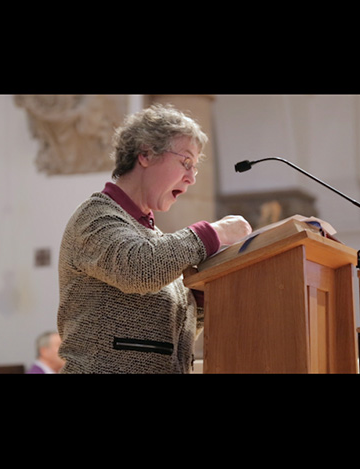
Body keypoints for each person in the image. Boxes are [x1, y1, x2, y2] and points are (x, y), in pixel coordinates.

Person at [56, 104, 252, 374]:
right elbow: (140, 269)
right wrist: (215, 233)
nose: (192, 178)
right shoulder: (95, 218)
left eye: (195, 168)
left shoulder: (154, 240)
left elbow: (163, 337)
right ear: (146, 154)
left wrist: (201, 302)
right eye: (186, 163)